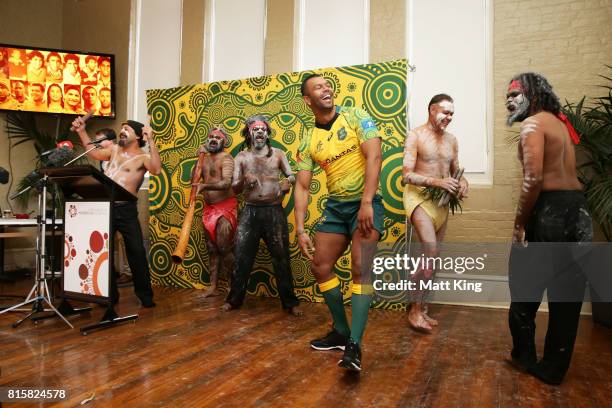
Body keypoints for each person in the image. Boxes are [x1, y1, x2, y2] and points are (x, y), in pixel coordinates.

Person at [505, 72, 592, 385]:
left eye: (516, 94)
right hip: (579, 211)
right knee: (566, 295)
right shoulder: (559, 124)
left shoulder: (533, 124)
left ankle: (523, 355)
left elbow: (533, 179)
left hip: (550, 211)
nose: (510, 101)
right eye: (507, 97)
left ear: (534, 94)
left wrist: (518, 225)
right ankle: (554, 368)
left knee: (523, 287)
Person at [295, 74, 384, 371]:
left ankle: (355, 346)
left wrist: (367, 202)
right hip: (336, 207)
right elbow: (303, 186)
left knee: (361, 267)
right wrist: (299, 227)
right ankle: (341, 332)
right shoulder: (309, 137)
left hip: (365, 203)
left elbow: (374, 157)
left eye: (327, 85)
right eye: (318, 87)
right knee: (320, 265)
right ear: (308, 100)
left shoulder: (356, 115)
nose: (326, 89)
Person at [71, 116, 161, 308]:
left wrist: (152, 140)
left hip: (127, 209)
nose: (122, 131)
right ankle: (110, 296)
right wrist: (81, 131)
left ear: (138, 136)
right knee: (103, 252)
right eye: (122, 128)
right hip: (105, 207)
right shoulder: (113, 150)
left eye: (127, 129)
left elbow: (156, 169)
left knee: (136, 251)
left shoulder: (143, 157)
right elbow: (94, 154)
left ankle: (145, 296)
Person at [222, 115, 302, 316]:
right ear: (249, 133)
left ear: (267, 134)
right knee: (241, 256)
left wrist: (287, 185)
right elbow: (234, 189)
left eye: (263, 130)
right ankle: (234, 300)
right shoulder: (241, 157)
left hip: (274, 211)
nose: (259, 132)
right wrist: (244, 183)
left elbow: (291, 176)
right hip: (250, 211)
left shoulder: (278, 154)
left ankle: (290, 303)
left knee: (281, 257)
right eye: (255, 129)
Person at [401, 94, 468, 332]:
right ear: (431, 110)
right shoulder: (416, 135)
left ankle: (421, 307)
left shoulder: (452, 140)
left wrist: (462, 183)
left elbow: (456, 170)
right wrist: (437, 182)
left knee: (433, 255)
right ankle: (415, 312)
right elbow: (406, 175)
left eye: (451, 114)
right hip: (418, 198)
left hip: (441, 203)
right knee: (429, 250)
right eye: (444, 112)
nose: (448, 118)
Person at [192, 127, 237, 298]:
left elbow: (226, 183)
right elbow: (193, 180)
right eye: (210, 137)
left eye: (217, 138)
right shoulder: (204, 159)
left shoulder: (226, 158)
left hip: (225, 207)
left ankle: (232, 287)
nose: (213, 140)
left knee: (225, 247)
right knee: (212, 249)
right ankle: (213, 286)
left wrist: (205, 186)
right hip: (209, 209)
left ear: (223, 142)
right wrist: (199, 159)